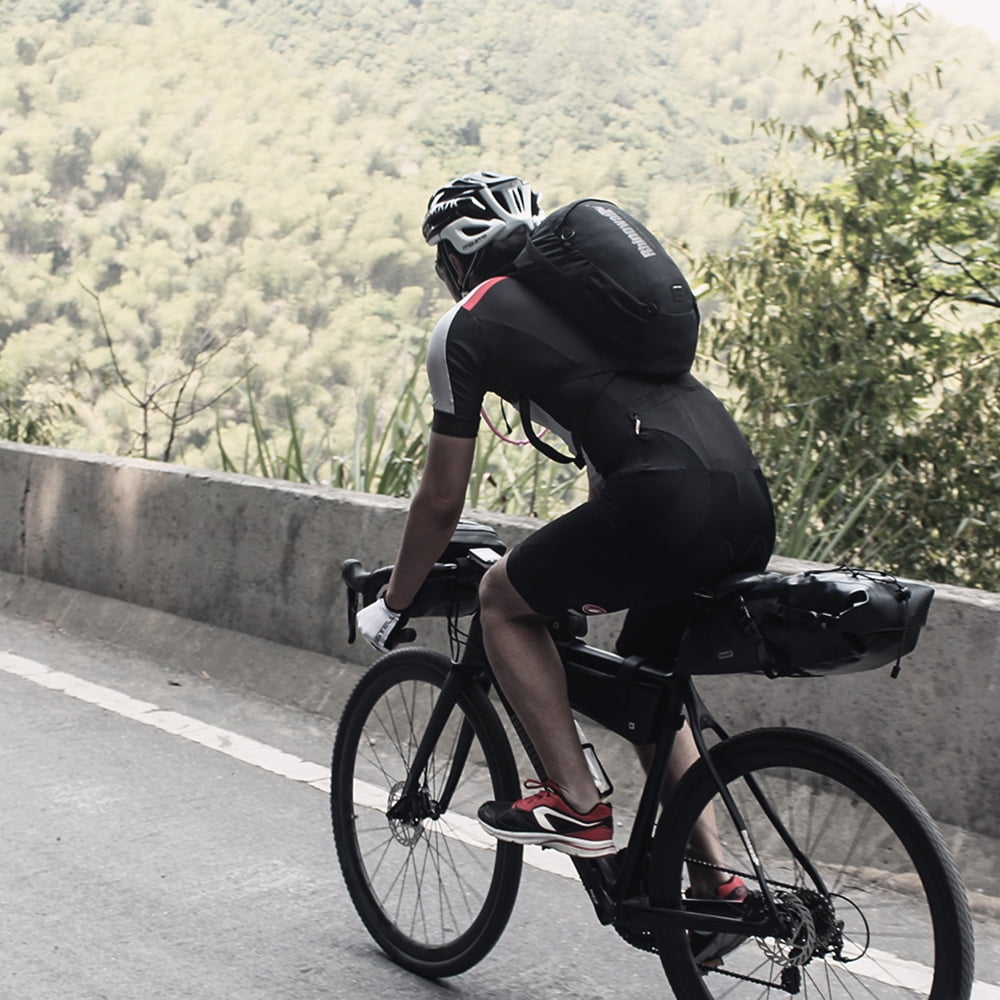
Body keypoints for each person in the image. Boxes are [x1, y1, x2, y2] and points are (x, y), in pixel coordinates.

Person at [356, 172, 774, 950]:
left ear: (453, 258)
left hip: (663, 503)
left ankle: (576, 803)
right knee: (649, 686)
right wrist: (581, 564)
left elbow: (441, 499)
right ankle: (716, 882)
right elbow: (612, 461)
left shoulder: (469, 322)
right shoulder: (601, 314)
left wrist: (395, 602)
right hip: (744, 500)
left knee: (501, 598)